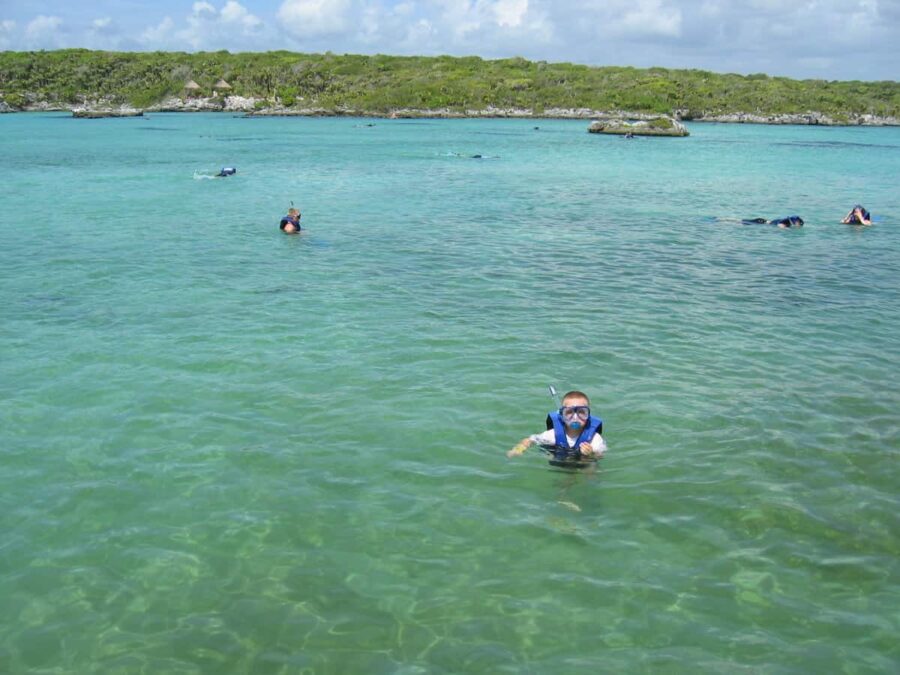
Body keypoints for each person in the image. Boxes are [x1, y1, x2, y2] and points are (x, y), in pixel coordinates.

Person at [507, 390, 606, 465]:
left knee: (591, 470)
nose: (575, 418)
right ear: (562, 415)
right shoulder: (553, 435)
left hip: (582, 464)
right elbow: (530, 440)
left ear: (588, 414)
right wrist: (518, 449)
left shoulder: (594, 439)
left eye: (581, 412)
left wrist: (590, 454)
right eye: (569, 412)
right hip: (558, 461)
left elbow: (600, 456)